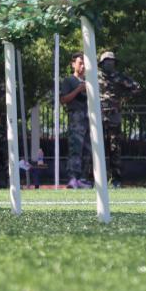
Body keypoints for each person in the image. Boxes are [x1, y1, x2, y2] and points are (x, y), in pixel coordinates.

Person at [97, 51, 140, 187]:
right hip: (98, 116)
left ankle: (116, 179)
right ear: (102, 63)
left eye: (111, 61)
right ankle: (96, 179)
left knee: (114, 148)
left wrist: (122, 99)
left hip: (114, 116)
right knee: (97, 148)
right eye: (107, 61)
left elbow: (136, 87)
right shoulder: (95, 77)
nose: (109, 63)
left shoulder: (120, 77)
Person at [59, 53, 92, 189]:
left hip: (89, 119)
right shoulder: (69, 81)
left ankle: (83, 178)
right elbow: (63, 99)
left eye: (85, 64)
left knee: (88, 150)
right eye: (80, 63)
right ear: (73, 64)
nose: (83, 66)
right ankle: (73, 178)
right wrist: (79, 89)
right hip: (76, 119)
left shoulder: (90, 81)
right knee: (75, 149)